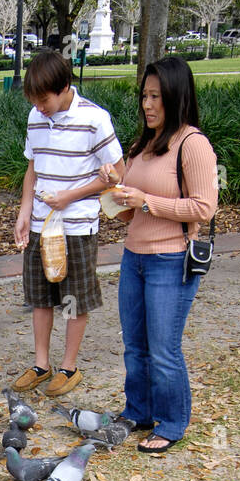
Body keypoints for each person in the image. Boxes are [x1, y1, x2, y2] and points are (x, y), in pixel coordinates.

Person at [100, 55, 218, 453]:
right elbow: (132, 211)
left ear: (176, 96)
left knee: (163, 348)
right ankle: (139, 410)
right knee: (134, 343)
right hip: (134, 256)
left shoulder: (193, 144)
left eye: (156, 96)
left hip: (171, 259)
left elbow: (203, 208)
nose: (148, 105)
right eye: (145, 96)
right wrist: (117, 190)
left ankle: (171, 422)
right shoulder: (143, 144)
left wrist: (147, 201)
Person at [13, 49, 124, 396]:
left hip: (76, 225)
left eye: (44, 99)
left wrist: (70, 196)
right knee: (41, 296)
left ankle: (69, 366)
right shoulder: (35, 117)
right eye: (34, 99)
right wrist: (23, 210)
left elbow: (116, 174)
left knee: (73, 298)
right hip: (40, 225)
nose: (39, 106)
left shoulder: (95, 119)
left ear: (64, 88)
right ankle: (41, 364)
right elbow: (32, 167)